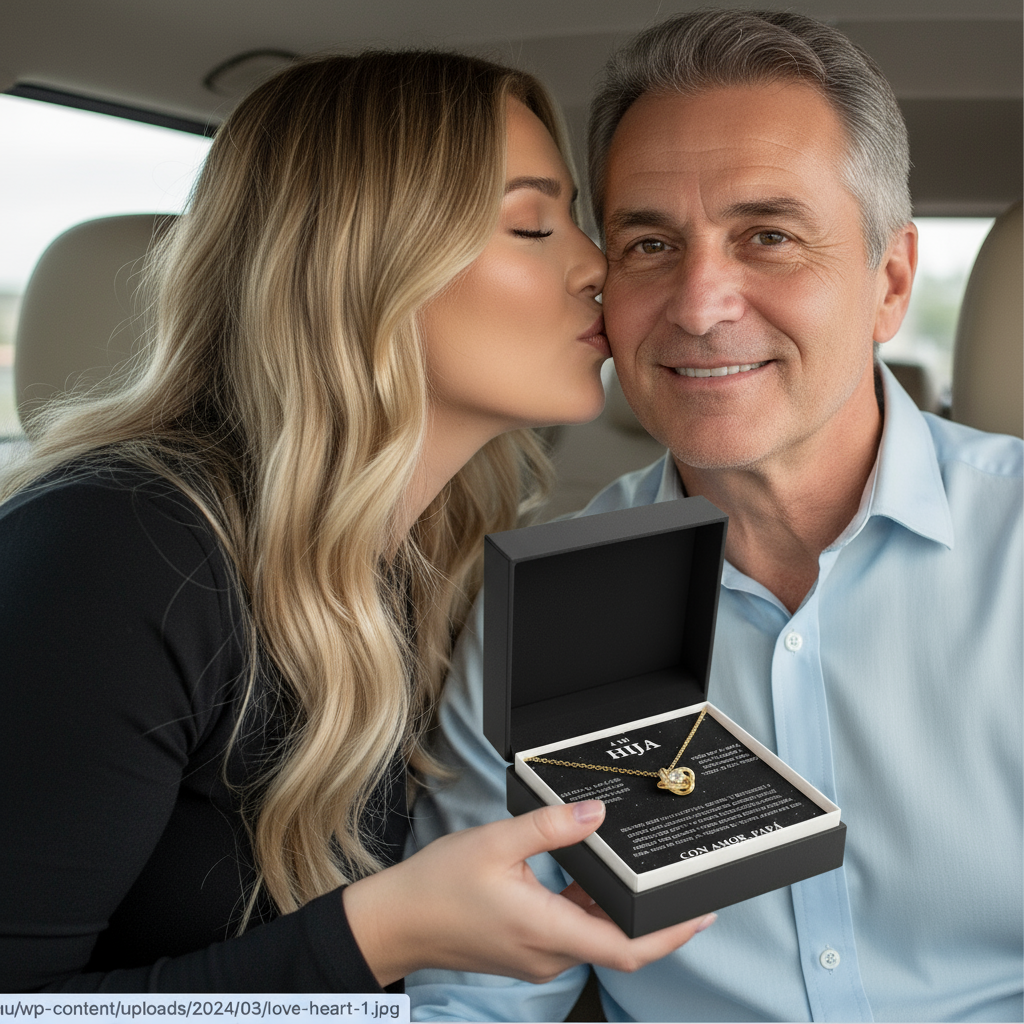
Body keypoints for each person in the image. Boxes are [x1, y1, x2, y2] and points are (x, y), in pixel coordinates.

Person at [0, 50, 715, 993]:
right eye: (534, 225)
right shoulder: (114, 553)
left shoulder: (448, 558)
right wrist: (388, 933)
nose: (597, 267)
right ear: (368, 266)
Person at [406, 11, 1023, 1022]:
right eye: (650, 242)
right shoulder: (546, 602)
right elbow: (476, 992)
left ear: (890, 282)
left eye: (767, 236)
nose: (697, 303)